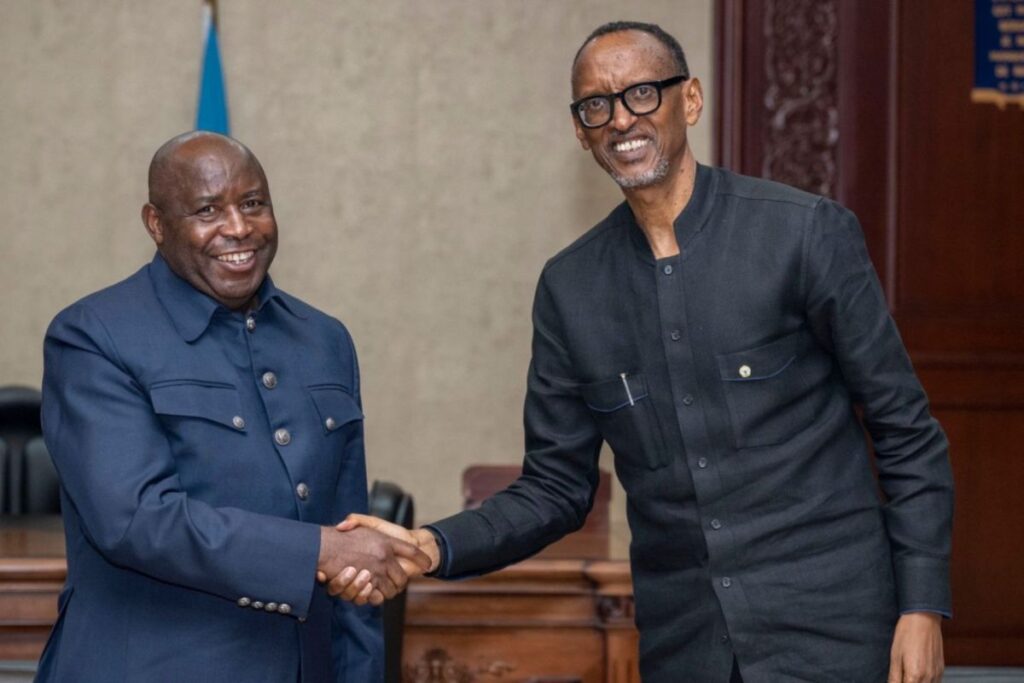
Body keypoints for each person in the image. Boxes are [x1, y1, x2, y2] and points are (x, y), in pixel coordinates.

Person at [341, 21, 953, 683]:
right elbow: (555, 486)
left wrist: (921, 607)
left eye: (641, 93)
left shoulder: (803, 234)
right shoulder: (571, 288)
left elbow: (905, 430)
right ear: (580, 131)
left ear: (689, 100)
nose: (620, 120)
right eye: (596, 106)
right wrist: (433, 544)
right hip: (687, 646)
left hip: (833, 632)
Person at [37, 131, 430, 683]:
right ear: (156, 224)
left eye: (253, 203)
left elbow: (350, 547)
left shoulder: (324, 340)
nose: (239, 227)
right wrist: (318, 551)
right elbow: (135, 520)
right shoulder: (94, 336)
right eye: (207, 210)